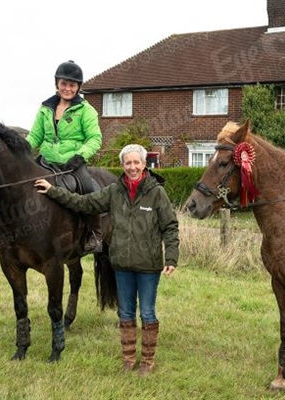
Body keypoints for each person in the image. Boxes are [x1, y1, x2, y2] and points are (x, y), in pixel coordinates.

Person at [34, 144, 179, 374]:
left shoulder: (156, 193)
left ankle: (147, 363)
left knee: (148, 313)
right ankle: (129, 360)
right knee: (126, 313)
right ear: (123, 165)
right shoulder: (114, 192)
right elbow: (83, 203)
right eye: (128, 163)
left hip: (148, 265)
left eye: (136, 163)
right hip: (121, 264)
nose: (132, 167)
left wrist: (171, 257)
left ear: (143, 164)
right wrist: (53, 190)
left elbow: (170, 226)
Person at [26, 60, 103, 253]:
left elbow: (95, 138)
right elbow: (35, 136)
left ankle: (95, 233)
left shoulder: (86, 110)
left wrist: (80, 156)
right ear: (57, 84)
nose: (67, 88)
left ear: (78, 87)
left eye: (72, 85)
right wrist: (22, 149)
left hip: (72, 163)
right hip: (46, 160)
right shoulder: (45, 108)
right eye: (64, 84)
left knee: (89, 188)